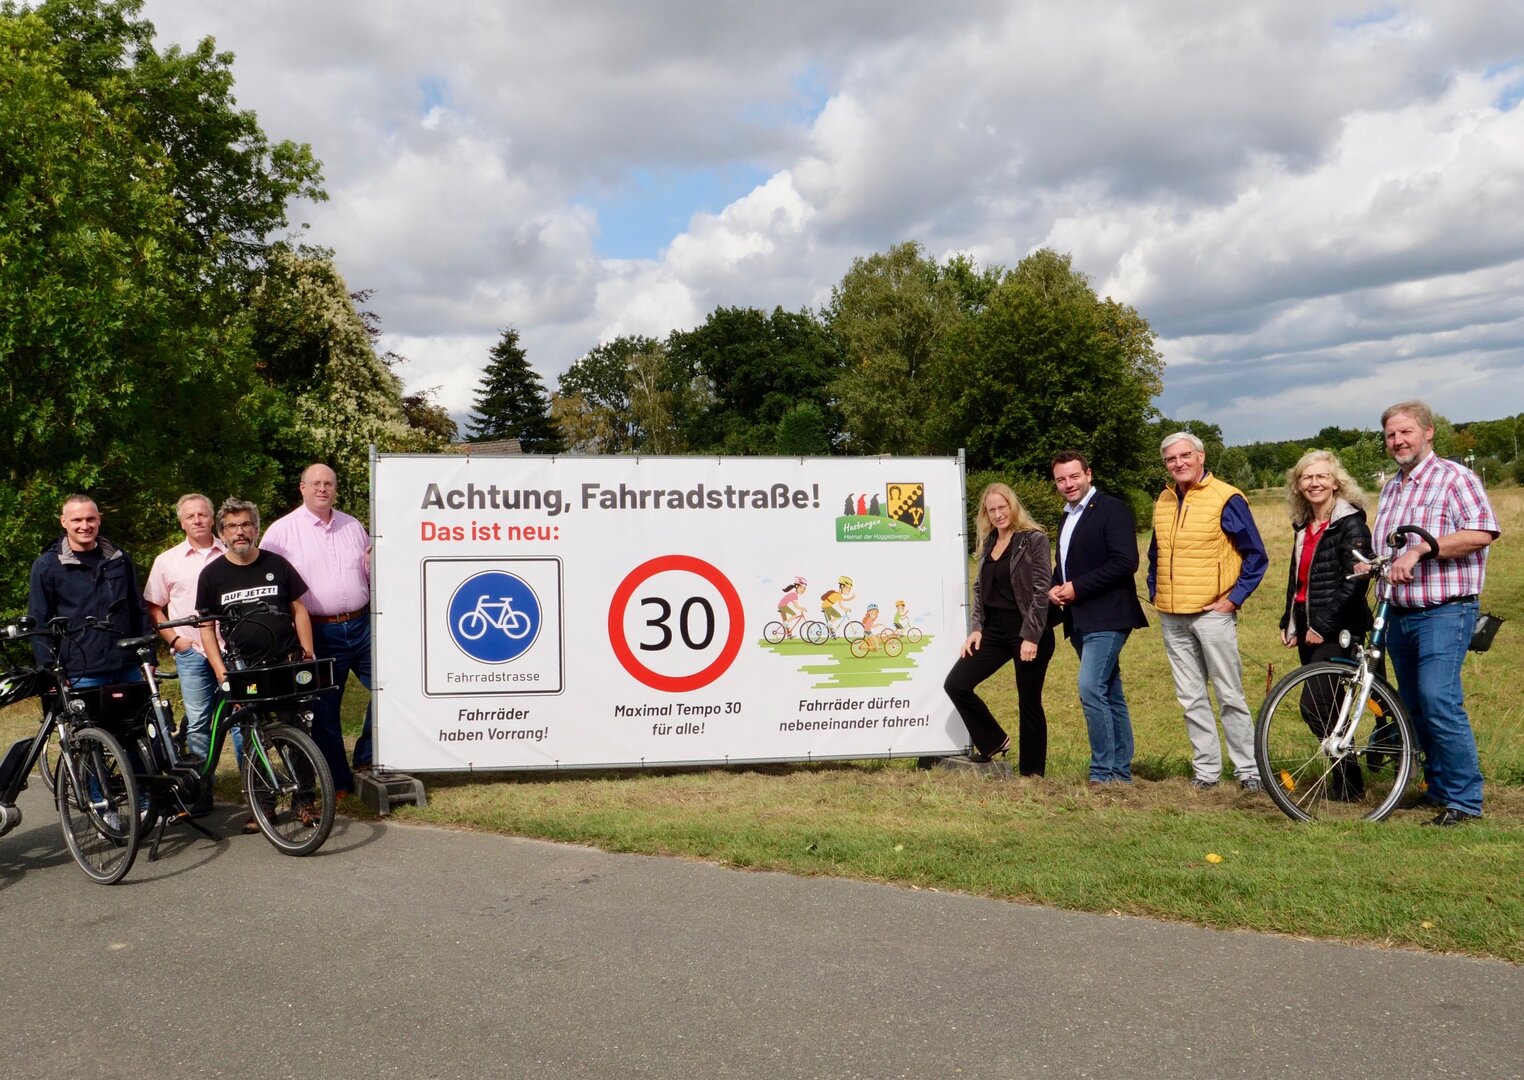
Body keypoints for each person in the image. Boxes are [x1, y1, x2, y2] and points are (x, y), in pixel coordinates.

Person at [1372, 401, 1499, 826]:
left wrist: (1422, 550)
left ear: (1428, 433)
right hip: (1399, 613)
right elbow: (1390, 548)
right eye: (1391, 435)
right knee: (1413, 705)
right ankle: (1438, 788)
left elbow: (1482, 532)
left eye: (1405, 432)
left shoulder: (1455, 478)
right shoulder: (1391, 487)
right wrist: (1375, 564)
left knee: (1438, 699)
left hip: (1445, 611)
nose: (1398, 441)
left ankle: (1465, 800)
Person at [1147, 432, 1268, 791]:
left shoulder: (1226, 497)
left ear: (1201, 457)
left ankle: (1248, 771)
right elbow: (1156, 552)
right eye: (1171, 459)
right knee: (1190, 697)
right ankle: (1206, 772)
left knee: (1229, 694)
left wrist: (1233, 599)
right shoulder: (1164, 500)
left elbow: (1256, 554)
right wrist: (1156, 590)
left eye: (1185, 455)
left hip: (1212, 613)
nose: (1179, 463)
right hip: (1172, 615)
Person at [195, 497, 317, 834]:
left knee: (298, 733)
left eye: (246, 524)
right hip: (243, 669)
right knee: (253, 738)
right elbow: (206, 628)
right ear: (222, 533)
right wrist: (220, 672)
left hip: (285, 662)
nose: (240, 531)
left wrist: (308, 653)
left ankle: (305, 802)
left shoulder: (277, 564)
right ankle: (263, 807)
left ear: (256, 528)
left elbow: (299, 610)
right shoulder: (211, 575)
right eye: (232, 526)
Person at [260, 463, 370, 795]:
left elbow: (368, 569)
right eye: (316, 483)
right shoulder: (281, 532)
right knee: (324, 711)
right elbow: (269, 586)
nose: (323, 489)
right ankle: (339, 783)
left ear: (335, 489)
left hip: (362, 626)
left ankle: (367, 758)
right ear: (302, 487)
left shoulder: (352, 525)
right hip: (318, 632)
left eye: (329, 484)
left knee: (392, 690)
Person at [1276, 450, 1374, 801]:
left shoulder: (1351, 524)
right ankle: (1347, 785)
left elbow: (1355, 582)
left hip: (1339, 627)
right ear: (1298, 485)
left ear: (1336, 482)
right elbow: (1298, 579)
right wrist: (1290, 621)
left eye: (1321, 476)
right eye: (1307, 477)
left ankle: (1350, 777)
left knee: (1314, 704)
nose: (1314, 483)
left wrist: (1321, 624)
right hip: (1307, 623)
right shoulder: (1305, 525)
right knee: (1331, 708)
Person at [1047, 451, 1148, 785]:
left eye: (1074, 476)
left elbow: (1125, 562)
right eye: (1061, 479)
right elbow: (1066, 564)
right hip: (1079, 619)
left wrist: (1077, 588)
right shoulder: (1066, 516)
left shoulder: (1112, 509)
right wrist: (1054, 586)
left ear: (1088, 474)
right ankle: (1119, 771)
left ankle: (1102, 772)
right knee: (1109, 692)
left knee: (1090, 687)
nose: (1068, 484)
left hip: (1109, 615)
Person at [944, 482, 1054, 773]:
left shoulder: (1034, 539)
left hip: (1027, 629)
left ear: (1012, 506)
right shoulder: (989, 542)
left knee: (1028, 702)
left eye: (1002, 507)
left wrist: (1031, 636)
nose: (998, 514)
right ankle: (993, 741)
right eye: (991, 510)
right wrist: (976, 628)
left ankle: (1032, 773)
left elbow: (1042, 591)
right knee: (956, 684)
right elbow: (979, 589)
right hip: (993, 630)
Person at [28, 495, 148, 686]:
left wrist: (149, 656)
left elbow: (137, 608)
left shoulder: (119, 558)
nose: (85, 526)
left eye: (90, 519)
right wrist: (49, 669)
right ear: (63, 522)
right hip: (79, 672)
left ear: (99, 519)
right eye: (77, 520)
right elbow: (39, 622)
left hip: (127, 666)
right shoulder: (47, 565)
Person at [143, 494, 226, 764]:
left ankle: (253, 781)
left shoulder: (231, 552)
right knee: (199, 720)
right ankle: (202, 781)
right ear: (181, 523)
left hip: (231, 647)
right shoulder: (167, 560)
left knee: (239, 714)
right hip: (192, 652)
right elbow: (153, 606)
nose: (197, 520)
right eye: (190, 516)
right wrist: (176, 641)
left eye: (202, 514)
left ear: (212, 518)